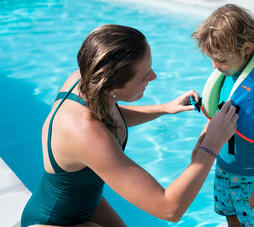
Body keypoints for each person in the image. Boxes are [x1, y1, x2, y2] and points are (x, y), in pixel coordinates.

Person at [20, 24, 239, 227]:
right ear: (111, 86)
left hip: (83, 205)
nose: (154, 77)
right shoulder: (86, 134)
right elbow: (169, 208)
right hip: (51, 222)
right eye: (144, 76)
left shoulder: (86, 79)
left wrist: (164, 108)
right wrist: (212, 144)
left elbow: (109, 117)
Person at [191, 4, 254, 227]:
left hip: (252, 176)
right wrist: (202, 142)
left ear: (246, 49)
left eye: (221, 60)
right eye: (211, 59)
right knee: (229, 215)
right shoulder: (224, 77)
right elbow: (216, 115)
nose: (215, 66)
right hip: (223, 168)